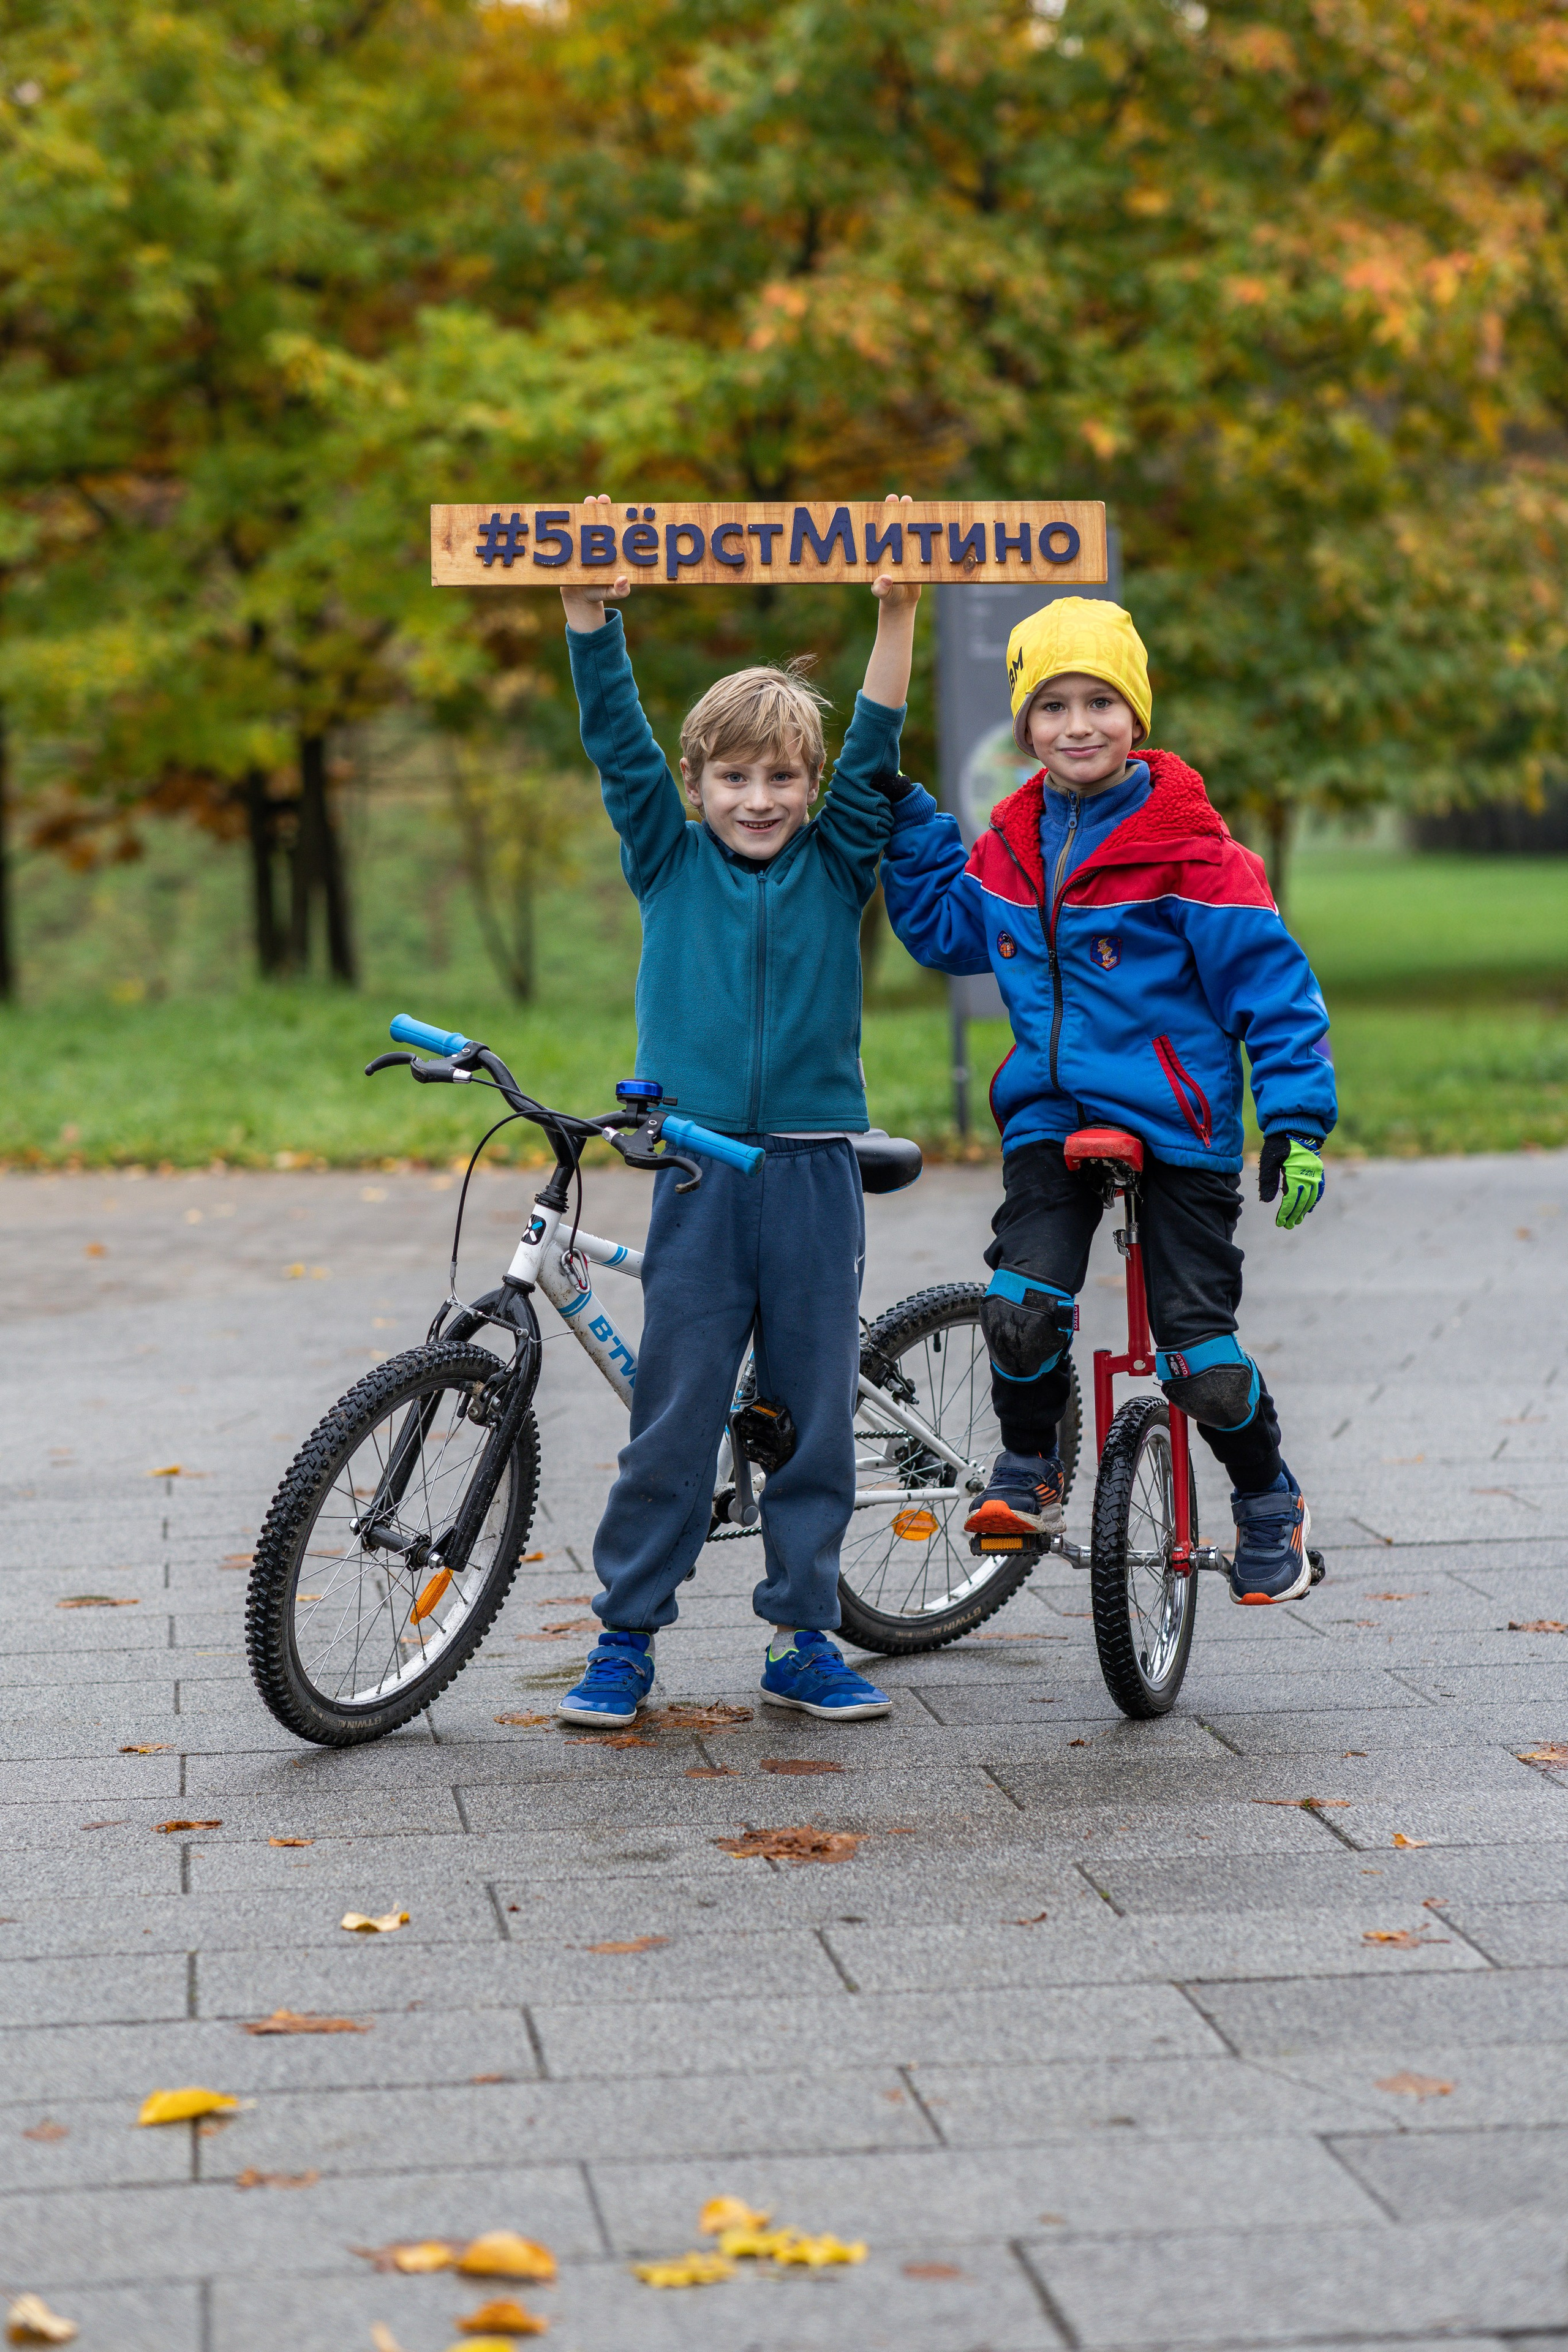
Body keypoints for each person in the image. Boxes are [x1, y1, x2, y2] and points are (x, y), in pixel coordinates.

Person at [880, 596, 1336, 1605]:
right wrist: (911, 826)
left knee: (1199, 1357)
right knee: (1021, 1307)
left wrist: (1296, 1120)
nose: (1077, 725)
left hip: (1178, 1125)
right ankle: (1029, 1467)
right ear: (1025, 725)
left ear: (1137, 715)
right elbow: (948, 932)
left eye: (1100, 702)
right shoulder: (1011, 843)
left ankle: (1269, 1500)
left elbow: (1275, 991)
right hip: (1052, 1113)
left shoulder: (1195, 854)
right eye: (1052, 706)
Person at [554, 494, 926, 1724]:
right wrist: (588, 616)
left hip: (814, 1171)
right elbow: (614, 738)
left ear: (811, 787)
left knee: (813, 1419)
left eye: (780, 778)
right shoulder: (665, 858)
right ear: (695, 784)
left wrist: (896, 612)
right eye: (732, 777)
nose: (756, 798)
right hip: (699, 1173)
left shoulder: (837, 858)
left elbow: (876, 738)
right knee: (674, 1418)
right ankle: (625, 1638)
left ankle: (801, 1636)